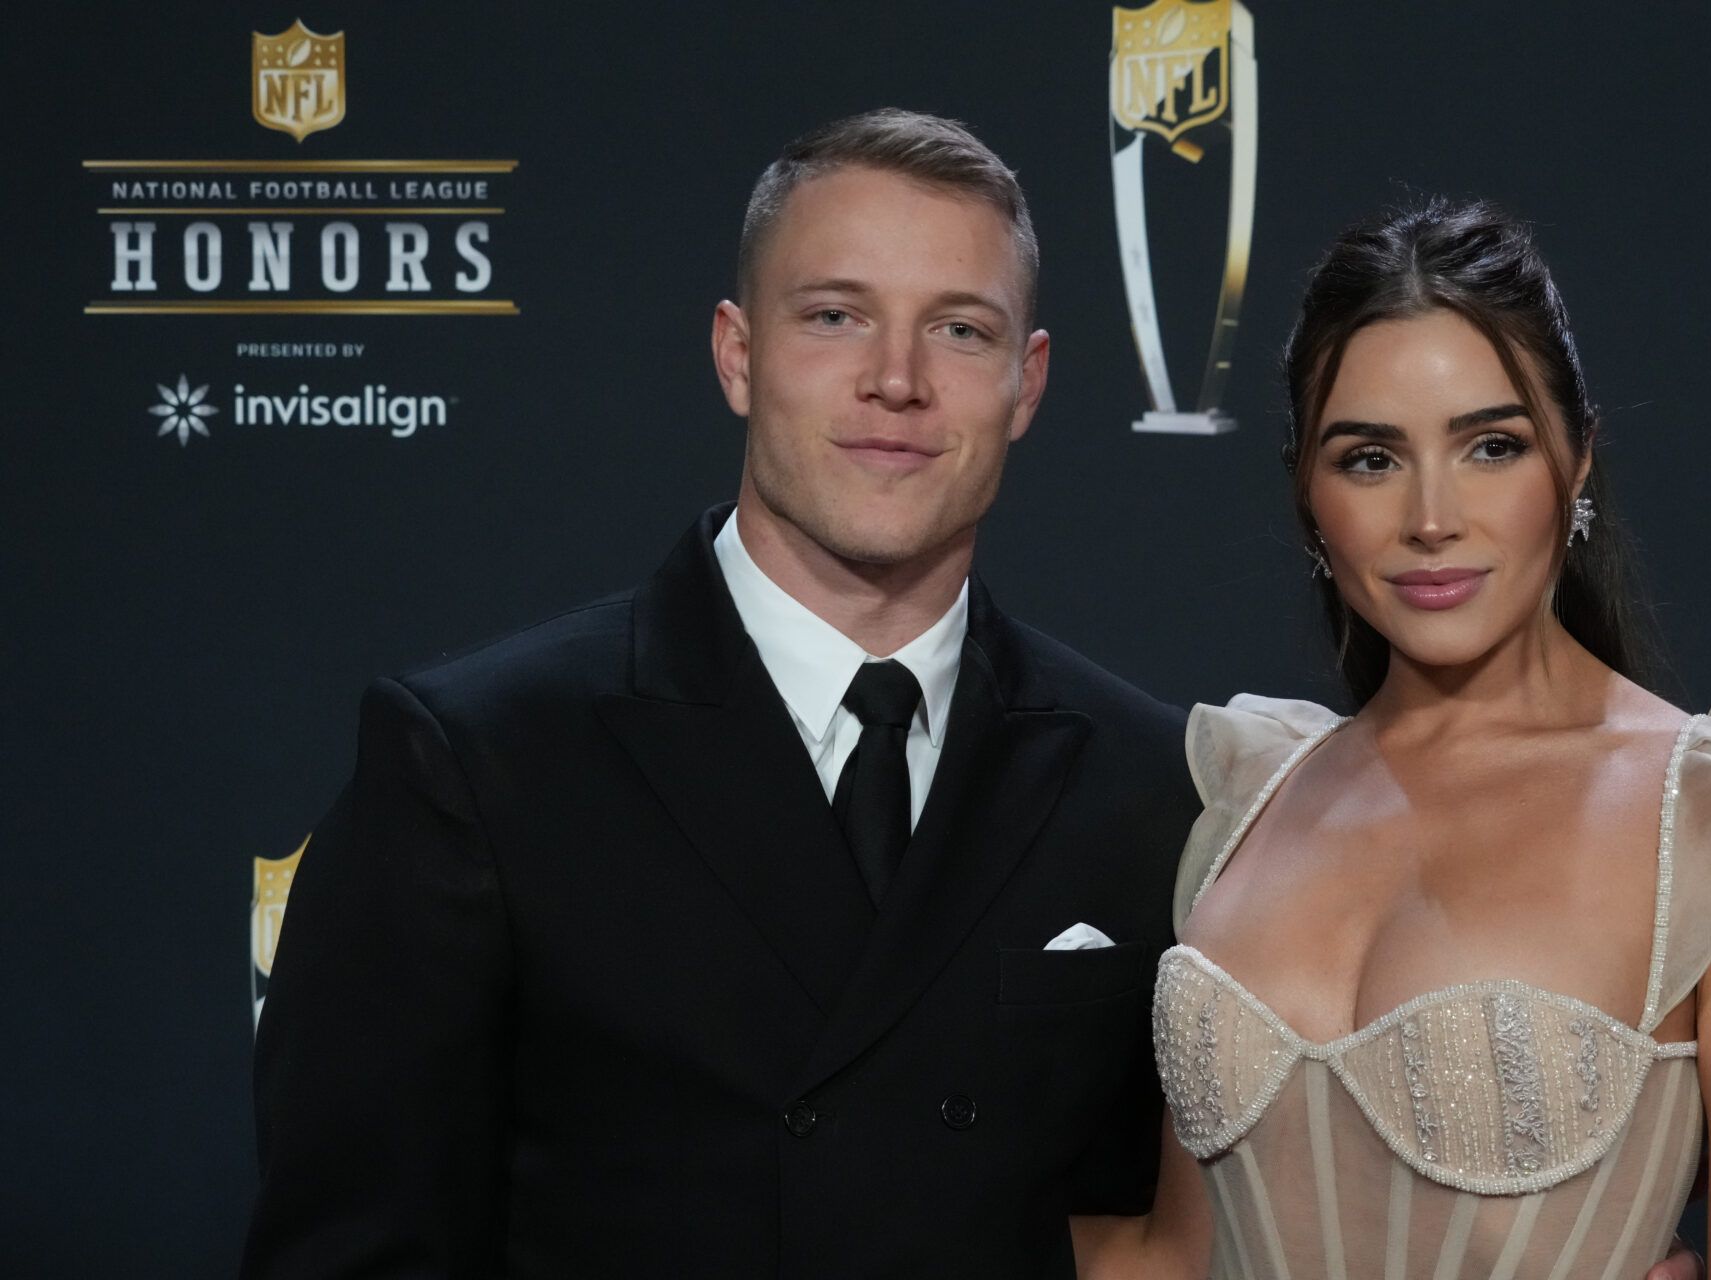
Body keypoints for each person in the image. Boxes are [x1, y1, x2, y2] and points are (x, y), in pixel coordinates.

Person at [241, 109, 1201, 1278]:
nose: (895, 381)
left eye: (957, 328)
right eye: (835, 316)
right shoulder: (482, 761)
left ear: (1026, 381)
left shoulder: (1148, 782)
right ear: (737, 354)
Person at [1081, 200, 1711, 1278]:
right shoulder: (1250, 795)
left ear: (1576, 460)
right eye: (1370, 458)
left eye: (1491, 445)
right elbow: (1170, 1257)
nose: (1432, 516)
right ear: (1309, 492)